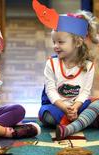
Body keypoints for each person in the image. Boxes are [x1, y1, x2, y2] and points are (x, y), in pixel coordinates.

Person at [32, 0, 99, 140]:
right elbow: (50, 91)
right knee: (47, 115)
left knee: (96, 103)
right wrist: (64, 108)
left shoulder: (88, 66)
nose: (55, 46)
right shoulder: (51, 63)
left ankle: (73, 124)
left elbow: (85, 92)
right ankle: (83, 121)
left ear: (78, 42)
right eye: (54, 42)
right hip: (56, 106)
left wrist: (76, 106)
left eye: (60, 42)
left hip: (78, 106)